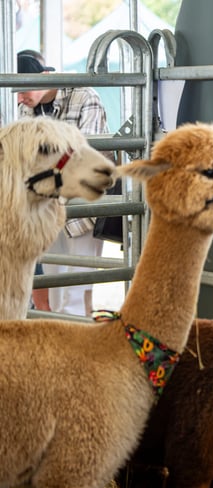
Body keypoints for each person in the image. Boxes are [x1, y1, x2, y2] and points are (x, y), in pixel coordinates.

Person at [17, 49, 111, 316]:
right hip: (44, 208)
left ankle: (77, 346)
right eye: (16, 91)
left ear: (45, 77)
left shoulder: (85, 97)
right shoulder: (25, 107)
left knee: (77, 288)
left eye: (24, 89)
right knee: (53, 281)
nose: (21, 97)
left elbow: (84, 156)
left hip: (82, 208)